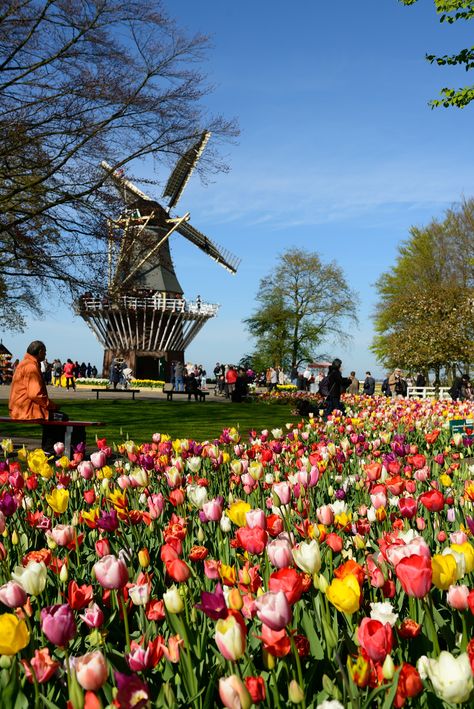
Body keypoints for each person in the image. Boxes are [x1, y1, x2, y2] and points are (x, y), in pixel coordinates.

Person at [8, 341, 66, 453]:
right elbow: (35, 394)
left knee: (56, 417)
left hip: (19, 407)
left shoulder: (24, 363)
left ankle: (50, 449)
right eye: (45, 352)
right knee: (60, 418)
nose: (45, 355)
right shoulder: (31, 367)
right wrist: (52, 405)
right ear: (40, 352)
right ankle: (49, 450)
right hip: (27, 409)